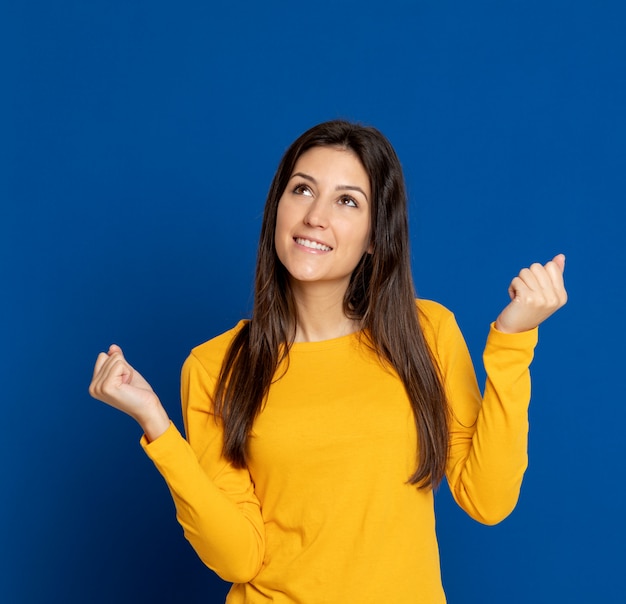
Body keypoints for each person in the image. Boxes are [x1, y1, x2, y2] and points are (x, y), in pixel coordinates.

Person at [89, 120, 567, 603]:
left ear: (377, 236)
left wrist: (513, 340)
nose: (316, 216)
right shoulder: (216, 366)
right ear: (277, 208)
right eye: (302, 190)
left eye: (347, 201)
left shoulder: (426, 333)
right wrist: (158, 428)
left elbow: (487, 499)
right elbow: (238, 558)